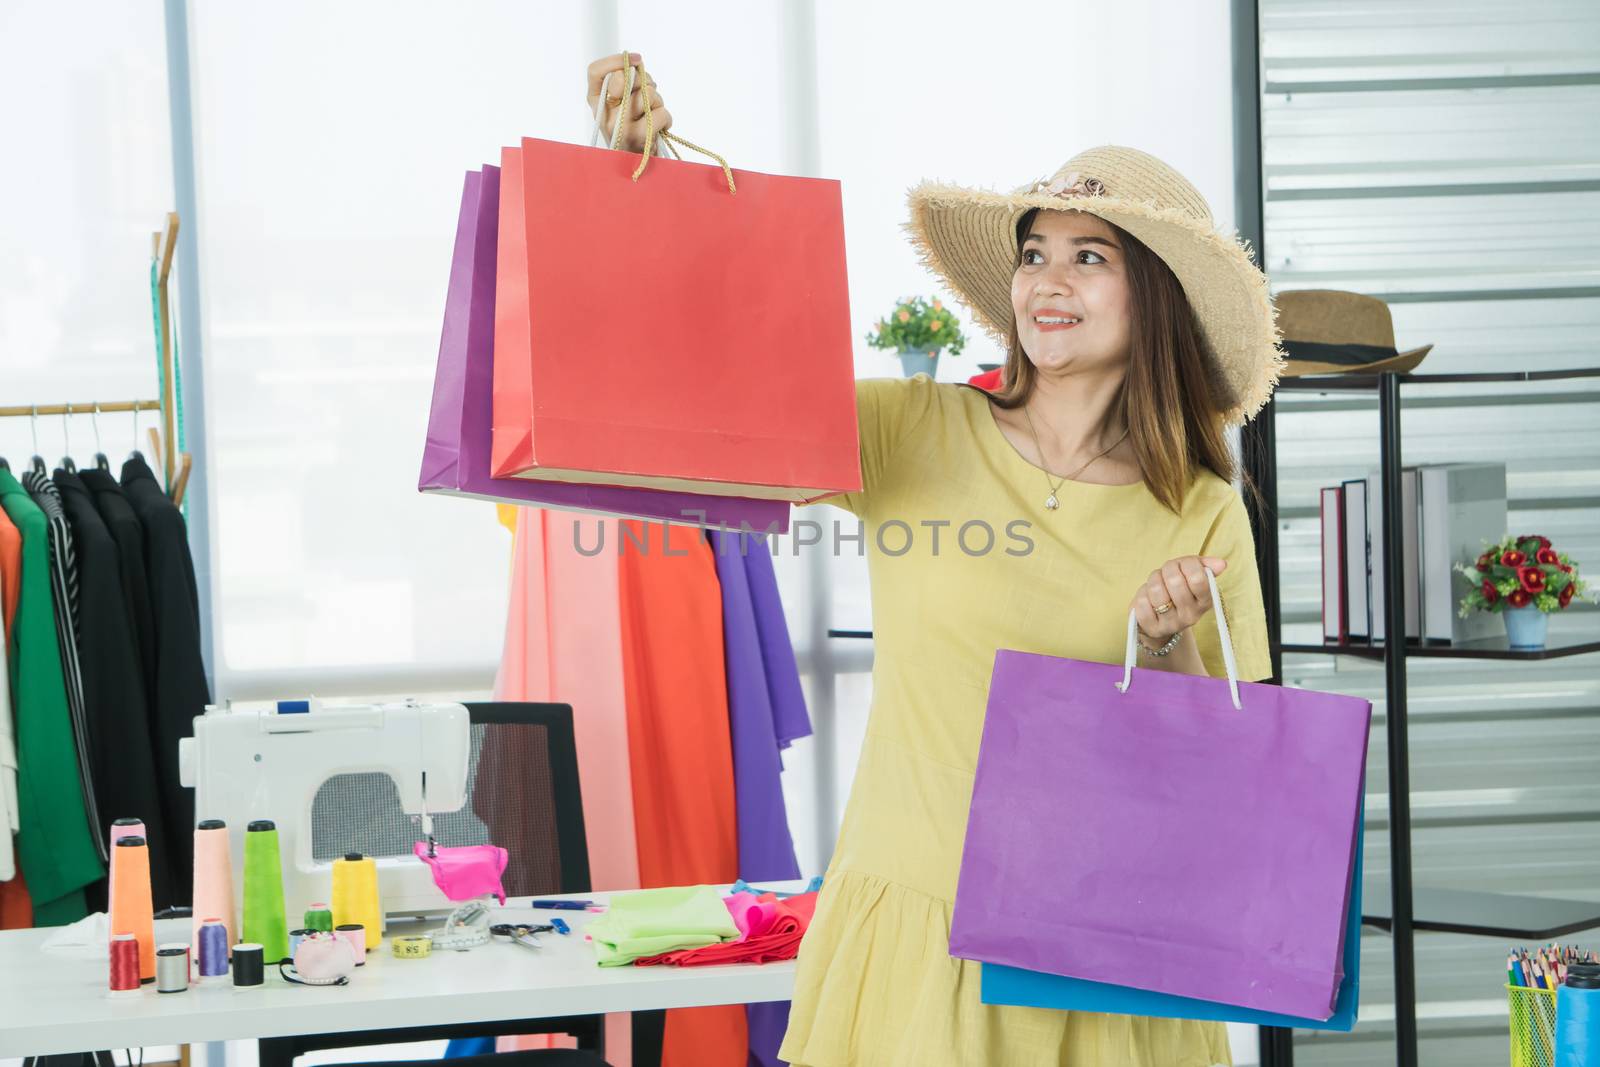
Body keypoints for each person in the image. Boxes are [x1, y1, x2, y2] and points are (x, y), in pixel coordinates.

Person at [586, 53, 1283, 1067]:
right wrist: (643, 190)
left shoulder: (1201, 510)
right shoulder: (912, 428)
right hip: (909, 934)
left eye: (1090, 257)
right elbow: (703, 401)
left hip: (1098, 963)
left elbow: (1224, 787)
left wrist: (1163, 648)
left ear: (1156, 295)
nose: (1047, 280)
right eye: (1034, 251)